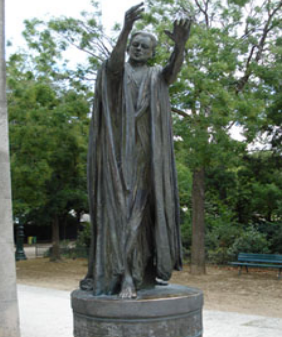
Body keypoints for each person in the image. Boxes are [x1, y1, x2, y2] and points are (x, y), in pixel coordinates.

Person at [80, 3, 191, 298]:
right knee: (121, 214)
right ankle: (124, 276)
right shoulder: (116, 71)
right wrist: (126, 27)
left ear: (152, 52)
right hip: (118, 159)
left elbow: (172, 71)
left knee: (141, 218)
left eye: (145, 46)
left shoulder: (155, 76)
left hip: (147, 160)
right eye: (135, 44)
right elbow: (113, 65)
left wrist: (179, 46)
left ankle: (140, 273)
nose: (139, 48)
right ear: (129, 46)